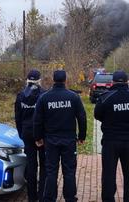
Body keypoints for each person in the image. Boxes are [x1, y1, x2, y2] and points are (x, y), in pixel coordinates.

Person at [33, 70, 87, 202]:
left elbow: (37, 120)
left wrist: (38, 138)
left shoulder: (44, 97)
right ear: (65, 80)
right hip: (68, 140)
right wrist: (82, 136)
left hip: (51, 140)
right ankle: (70, 197)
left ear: (53, 80)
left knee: (51, 170)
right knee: (69, 170)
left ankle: (49, 198)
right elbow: (82, 117)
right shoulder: (73, 97)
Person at [94, 70, 129, 202]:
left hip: (110, 141)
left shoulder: (105, 97)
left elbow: (97, 115)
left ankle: (108, 199)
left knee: (109, 174)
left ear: (113, 81)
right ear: (128, 81)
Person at [14, 69, 46, 202]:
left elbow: (18, 117)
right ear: (39, 80)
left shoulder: (21, 95)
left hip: (27, 133)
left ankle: (32, 197)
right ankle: (43, 194)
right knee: (44, 164)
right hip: (42, 134)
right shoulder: (44, 94)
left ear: (27, 80)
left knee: (31, 165)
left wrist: (21, 133)